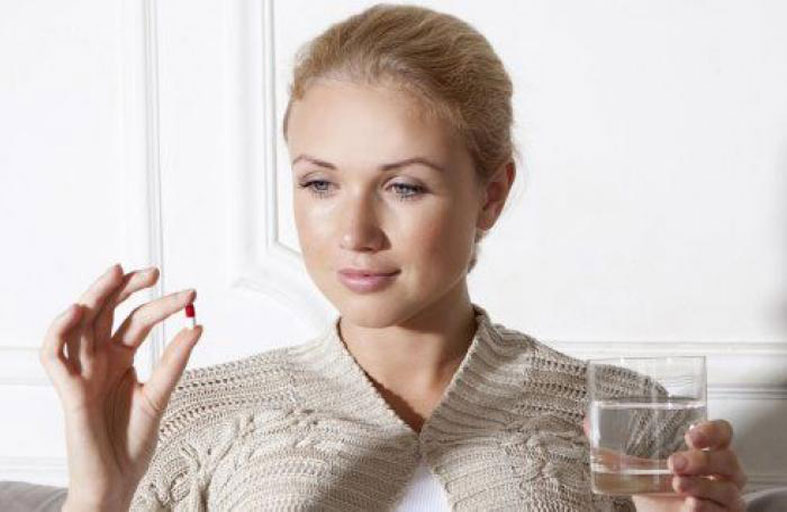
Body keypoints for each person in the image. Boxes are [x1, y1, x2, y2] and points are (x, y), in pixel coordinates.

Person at [40, 4, 748, 511]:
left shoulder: (627, 416)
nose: (354, 232)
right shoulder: (190, 417)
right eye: (320, 184)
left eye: (404, 187)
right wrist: (98, 497)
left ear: (491, 196)